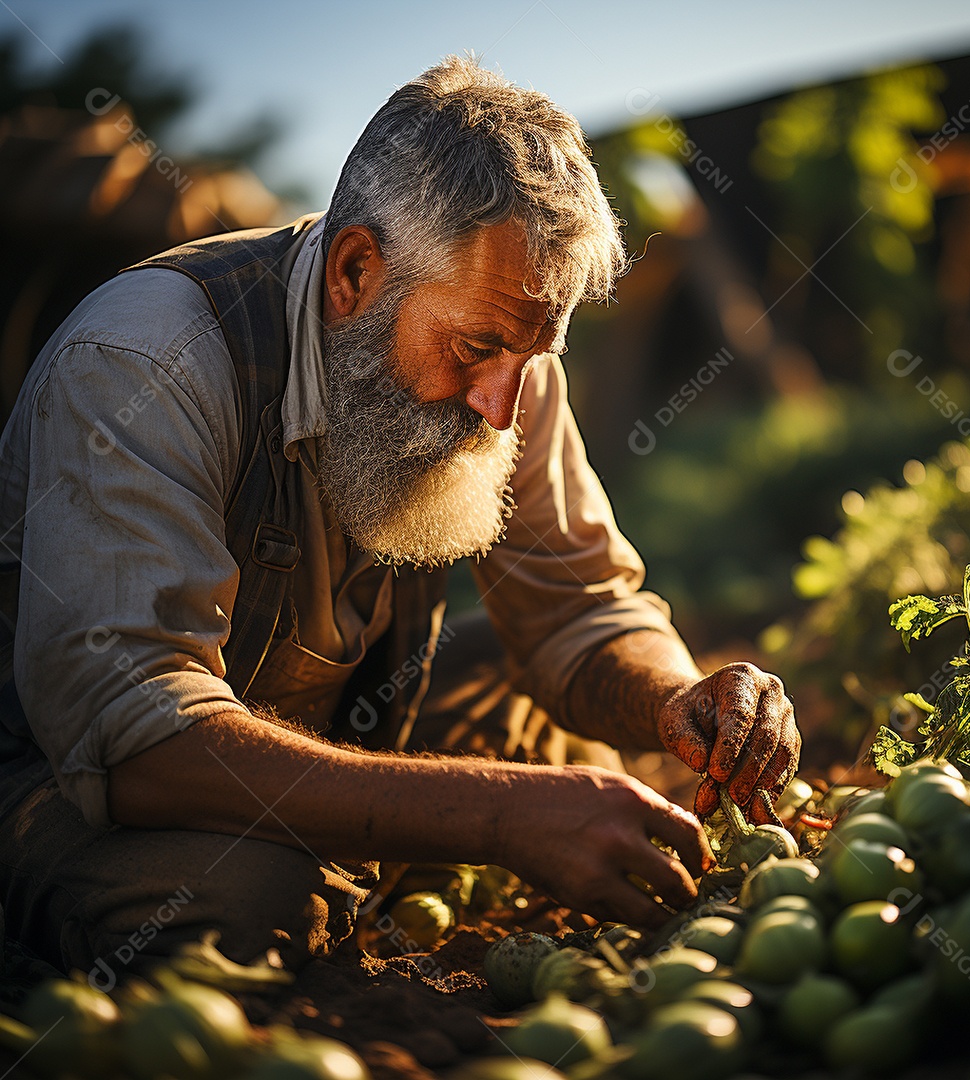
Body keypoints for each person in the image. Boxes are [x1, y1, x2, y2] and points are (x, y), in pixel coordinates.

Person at [0, 56, 799, 978]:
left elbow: (581, 609)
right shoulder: (148, 361)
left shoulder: (510, 364)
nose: (503, 407)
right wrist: (498, 814)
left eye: (535, 356)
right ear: (353, 272)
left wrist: (678, 697)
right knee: (247, 906)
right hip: (66, 778)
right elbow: (135, 734)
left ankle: (374, 838)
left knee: (547, 707)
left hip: (339, 731)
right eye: (478, 347)